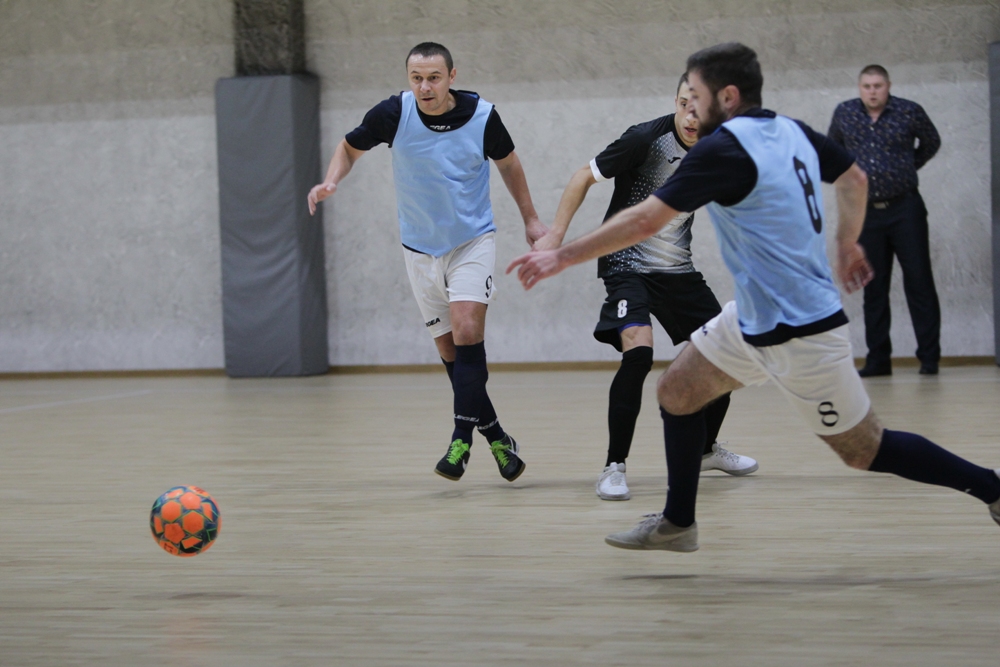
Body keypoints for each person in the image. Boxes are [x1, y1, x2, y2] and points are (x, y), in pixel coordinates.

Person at [508, 43, 1000, 551]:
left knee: (863, 449)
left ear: (727, 96)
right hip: (753, 318)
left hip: (800, 329)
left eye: (696, 96)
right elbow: (854, 177)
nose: (690, 108)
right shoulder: (791, 130)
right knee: (677, 391)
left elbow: (646, 220)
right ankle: (678, 524)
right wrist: (846, 242)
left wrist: (561, 256)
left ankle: (993, 488)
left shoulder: (723, 148)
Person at [308, 42, 547, 482]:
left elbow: (509, 165)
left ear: (452, 76)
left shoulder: (483, 117)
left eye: (434, 78)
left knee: (468, 329)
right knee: (451, 353)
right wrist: (330, 180)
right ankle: (497, 437)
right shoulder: (393, 114)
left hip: (472, 241)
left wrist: (531, 219)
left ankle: (460, 441)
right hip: (418, 250)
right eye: (416, 78)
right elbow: (348, 147)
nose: (424, 87)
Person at [534, 73, 757, 502]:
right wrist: (557, 235)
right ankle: (613, 467)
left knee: (726, 354)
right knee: (638, 354)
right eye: (684, 105)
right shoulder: (645, 139)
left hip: (678, 272)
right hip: (626, 265)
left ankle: (706, 449)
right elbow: (582, 176)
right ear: (675, 101)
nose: (690, 118)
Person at [828, 65, 942, 377]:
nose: (873, 91)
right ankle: (878, 360)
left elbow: (931, 142)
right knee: (873, 286)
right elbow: (834, 151)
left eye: (878, 85)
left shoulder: (909, 111)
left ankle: (929, 358)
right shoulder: (845, 113)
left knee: (919, 281)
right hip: (865, 213)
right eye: (867, 86)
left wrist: (907, 167)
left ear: (888, 85)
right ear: (859, 87)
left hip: (905, 208)